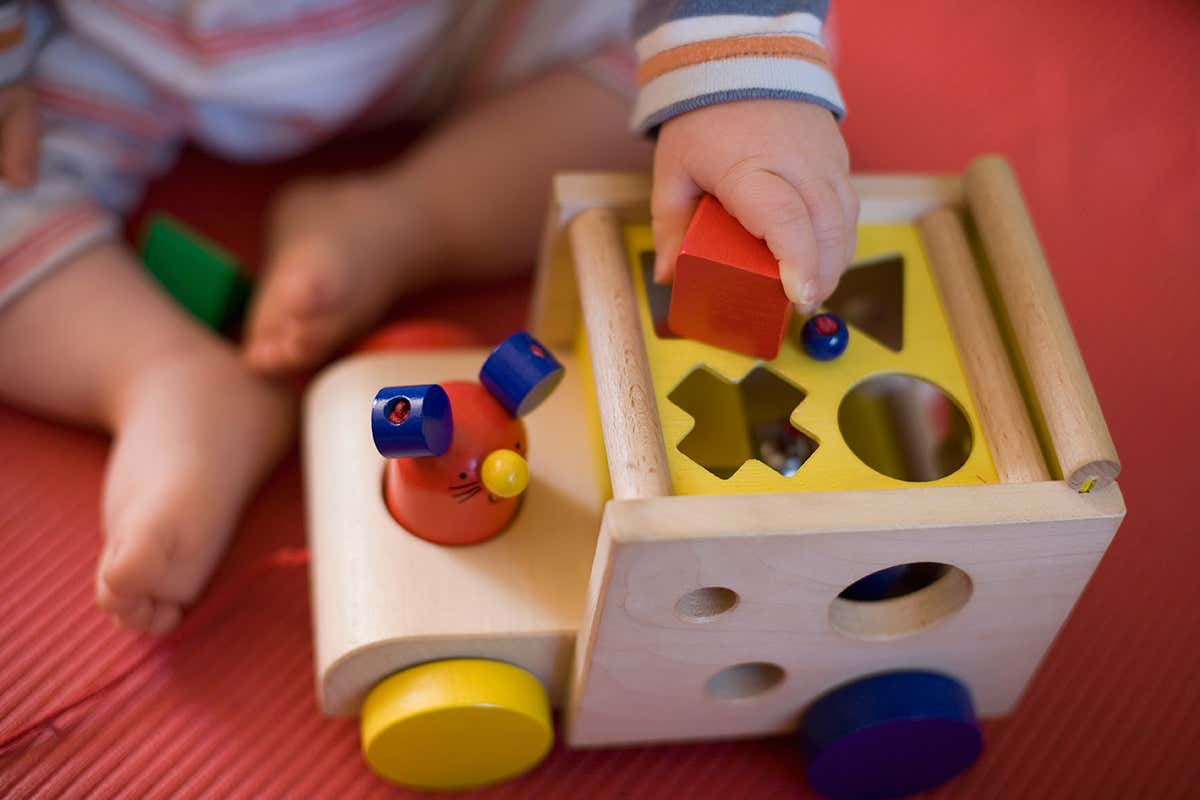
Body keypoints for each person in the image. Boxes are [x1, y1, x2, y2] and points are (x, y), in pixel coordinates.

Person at [0, 0, 854, 634]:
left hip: (445, 25)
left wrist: (732, 66)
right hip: (103, 40)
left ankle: (402, 222)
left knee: (712, 90)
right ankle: (157, 371)